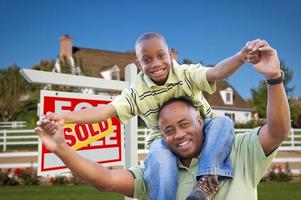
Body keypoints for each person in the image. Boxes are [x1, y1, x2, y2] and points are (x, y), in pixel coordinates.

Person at [36, 39, 290, 199]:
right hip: (159, 148)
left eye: (184, 124)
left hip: (215, 134)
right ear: (139, 63)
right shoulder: (158, 168)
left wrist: (254, 65)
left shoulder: (237, 150)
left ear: (171, 55)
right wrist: (63, 130)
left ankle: (208, 179)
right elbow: (105, 173)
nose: (178, 134)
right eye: (147, 59)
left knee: (224, 123)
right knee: (157, 153)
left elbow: (217, 72)